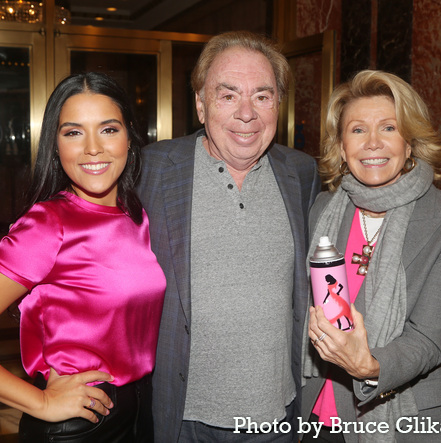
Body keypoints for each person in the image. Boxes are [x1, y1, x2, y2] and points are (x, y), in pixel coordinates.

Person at [0, 72, 166, 443]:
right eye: (73, 132)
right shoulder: (49, 225)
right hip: (80, 426)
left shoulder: (138, 215)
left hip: (140, 412)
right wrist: (39, 402)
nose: (93, 148)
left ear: (130, 138)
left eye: (109, 129)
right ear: (55, 145)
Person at [137, 31, 321, 442]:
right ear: (201, 105)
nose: (246, 114)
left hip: (277, 415)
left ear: (278, 104)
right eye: (227, 95)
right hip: (183, 418)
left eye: (262, 96)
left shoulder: (302, 173)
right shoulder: (150, 171)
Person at [301, 70, 441, 443]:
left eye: (388, 128)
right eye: (357, 130)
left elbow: (427, 341)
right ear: (340, 146)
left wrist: (369, 367)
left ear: (410, 141)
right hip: (316, 413)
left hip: (403, 420)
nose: (372, 143)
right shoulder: (322, 208)